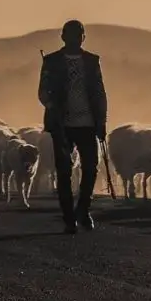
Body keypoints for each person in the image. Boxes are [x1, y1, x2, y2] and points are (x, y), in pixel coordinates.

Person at [38, 19, 108, 233]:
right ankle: (69, 217)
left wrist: (101, 121)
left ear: (83, 37)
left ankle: (83, 209)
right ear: (63, 37)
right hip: (62, 125)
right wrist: (52, 107)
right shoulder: (51, 61)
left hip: (88, 123)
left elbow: (99, 92)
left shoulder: (92, 61)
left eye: (79, 35)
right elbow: (42, 92)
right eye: (71, 35)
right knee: (64, 170)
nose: (76, 39)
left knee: (90, 167)